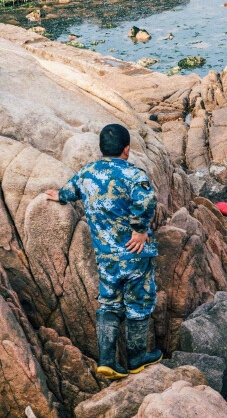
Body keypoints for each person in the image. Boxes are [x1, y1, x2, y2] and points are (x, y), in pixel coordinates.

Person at [44, 124, 161, 380]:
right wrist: (140, 230)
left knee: (108, 303)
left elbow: (70, 191)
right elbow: (146, 200)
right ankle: (137, 359)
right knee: (138, 303)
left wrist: (59, 196)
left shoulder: (87, 173)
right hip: (134, 254)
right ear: (126, 150)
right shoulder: (133, 174)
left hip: (106, 257)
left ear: (102, 149)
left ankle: (107, 360)